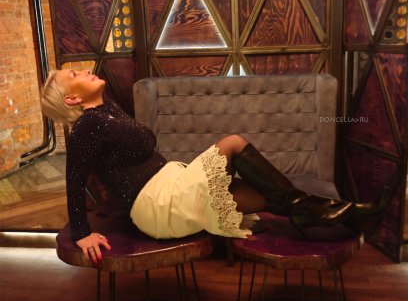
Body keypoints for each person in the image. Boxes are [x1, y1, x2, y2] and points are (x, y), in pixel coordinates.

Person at [41, 69, 388, 264]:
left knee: (262, 196)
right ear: (72, 98)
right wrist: (82, 232)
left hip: (170, 184)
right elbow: (74, 178)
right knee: (233, 143)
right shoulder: (87, 125)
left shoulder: (107, 110)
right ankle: (315, 211)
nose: (84, 70)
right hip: (157, 203)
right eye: (74, 74)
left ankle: (337, 213)